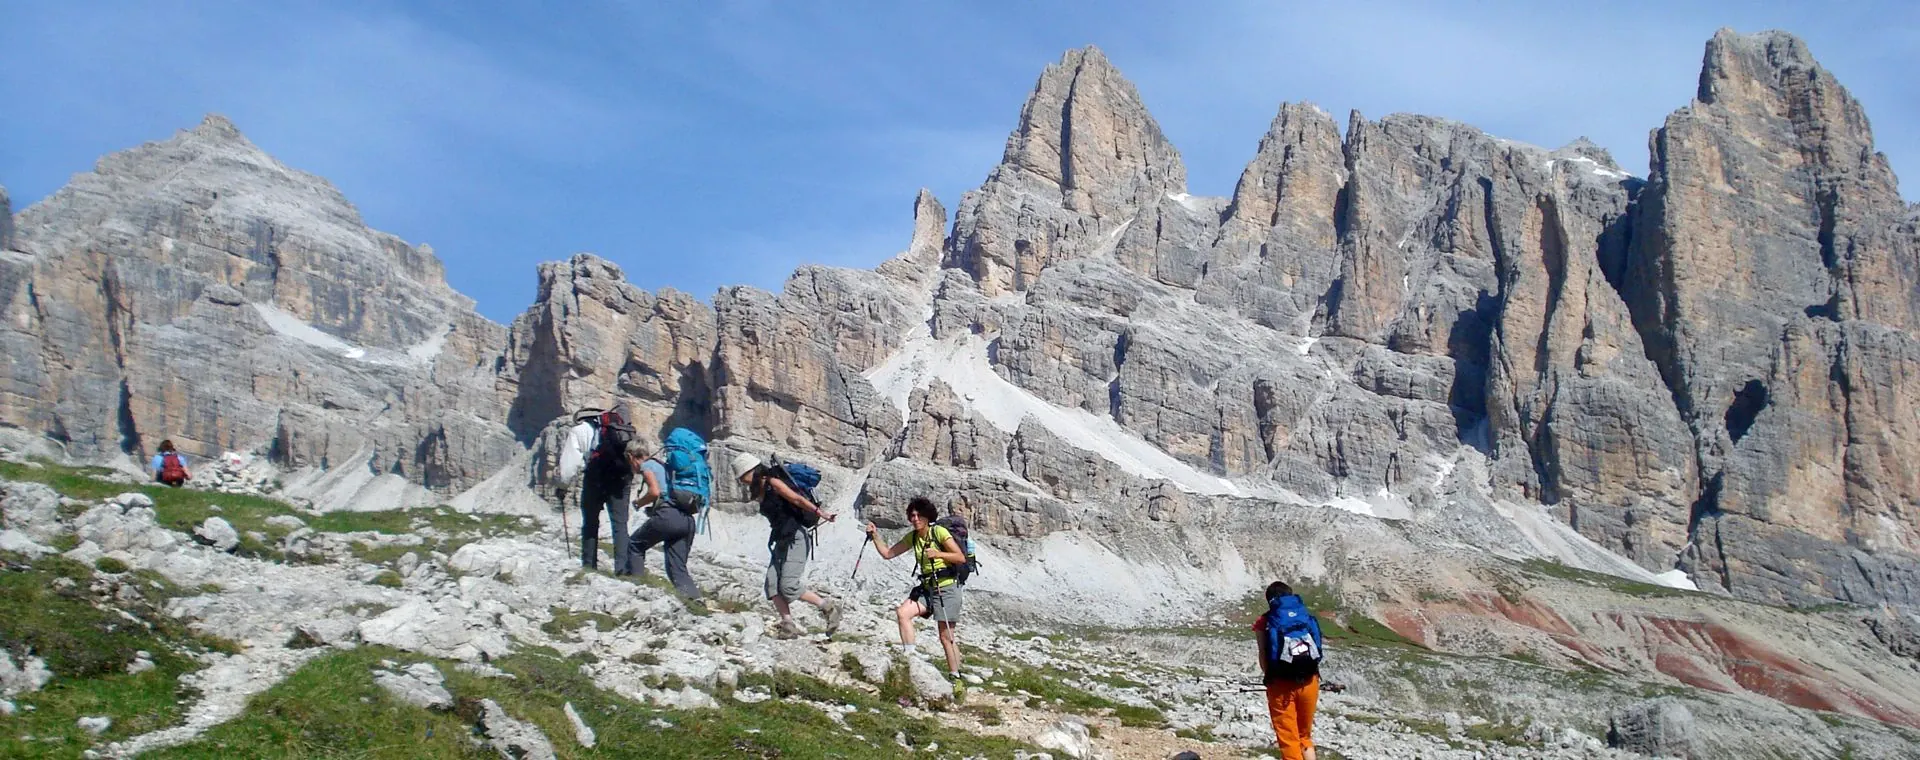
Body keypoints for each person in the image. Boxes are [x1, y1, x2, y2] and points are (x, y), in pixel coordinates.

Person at [735, 452, 842, 638]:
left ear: (752, 471)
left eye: (743, 477)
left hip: (796, 538)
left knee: (788, 586)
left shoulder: (773, 483)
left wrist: (822, 514)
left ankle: (830, 608)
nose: (742, 482)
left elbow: (797, 500)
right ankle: (788, 625)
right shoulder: (760, 490)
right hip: (781, 540)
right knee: (772, 585)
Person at [864, 497, 969, 679]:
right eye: (912, 515)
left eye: (919, 515)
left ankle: (955, 676)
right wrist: (875, 536)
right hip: (928, 587)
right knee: (903, 612)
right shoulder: (913, 536)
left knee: (945, 636)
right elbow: (888, 554)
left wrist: (938, 554)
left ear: (928, 516)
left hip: (947, 588)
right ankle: (910, 656)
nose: (915, 518)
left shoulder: (939, 532)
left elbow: (960, 558)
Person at [557, 403, 639, 574]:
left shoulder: (579, 430)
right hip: (621, 479)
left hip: (595, 477)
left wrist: (563, 486)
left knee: (590, 522)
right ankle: (622, 570)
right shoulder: (618, 429)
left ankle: (589, 566)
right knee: (620, 525)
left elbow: (569, 464)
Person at [626, 436, 704, 599]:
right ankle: (695, 601)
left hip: (668, 516)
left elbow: (654, 491)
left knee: (635, 545)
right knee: (677, 567)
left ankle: (637, 589)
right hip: (687, 519)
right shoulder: (665, 465)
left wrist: (639, 503)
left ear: (631, 456)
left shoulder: (647, 466)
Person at [1255, 581, 1324, 760]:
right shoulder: (1305, 617)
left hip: (1281, 687)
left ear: (1269, 600)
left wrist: (1269, 675)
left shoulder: (1265, 621)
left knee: (1289, 740)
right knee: (1305, 737)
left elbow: (1263, 654)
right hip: (1310, 681)